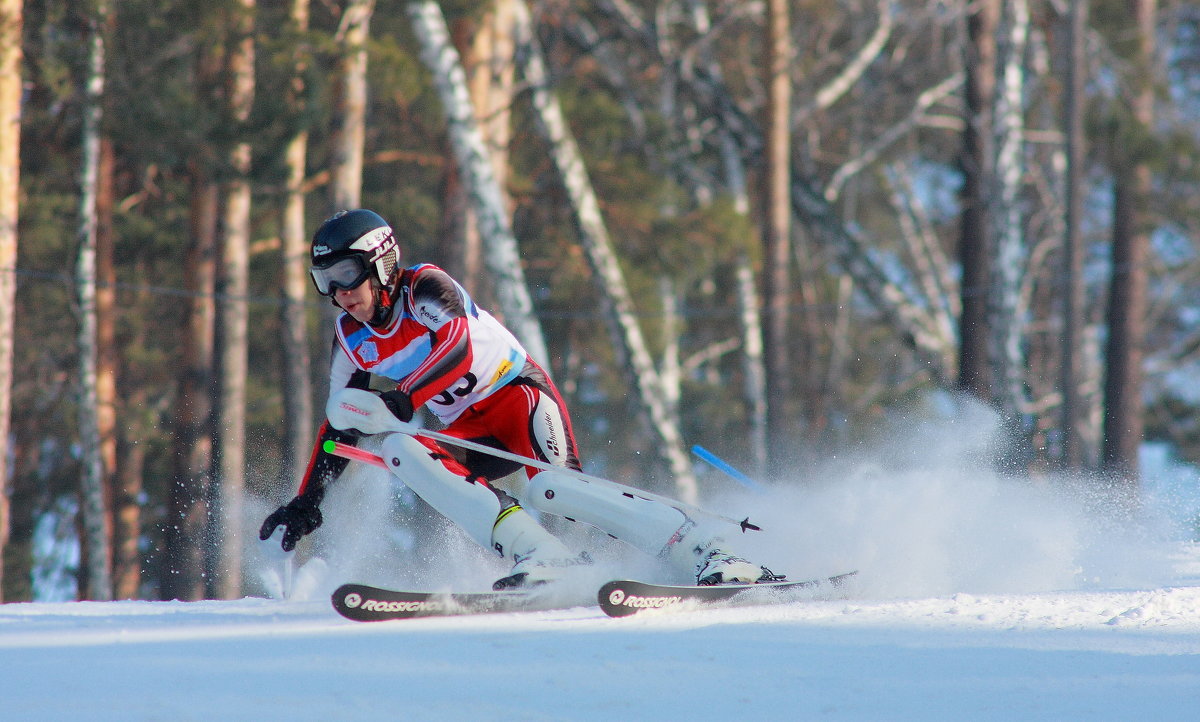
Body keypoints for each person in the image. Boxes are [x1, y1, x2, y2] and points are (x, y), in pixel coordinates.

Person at [260, 209, 777, 589]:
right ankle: (541, 555)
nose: (340, 293)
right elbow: (340, 422)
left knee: (557, 490)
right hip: (462, 428)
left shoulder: (425, 288)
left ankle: (707, 551)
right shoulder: (350, 337)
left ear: (382, 263)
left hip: (518, 399)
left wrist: (403, 396)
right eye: (324, 282)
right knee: (401, 451)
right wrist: (308, 501)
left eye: (347, 276)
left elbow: (458, 350)